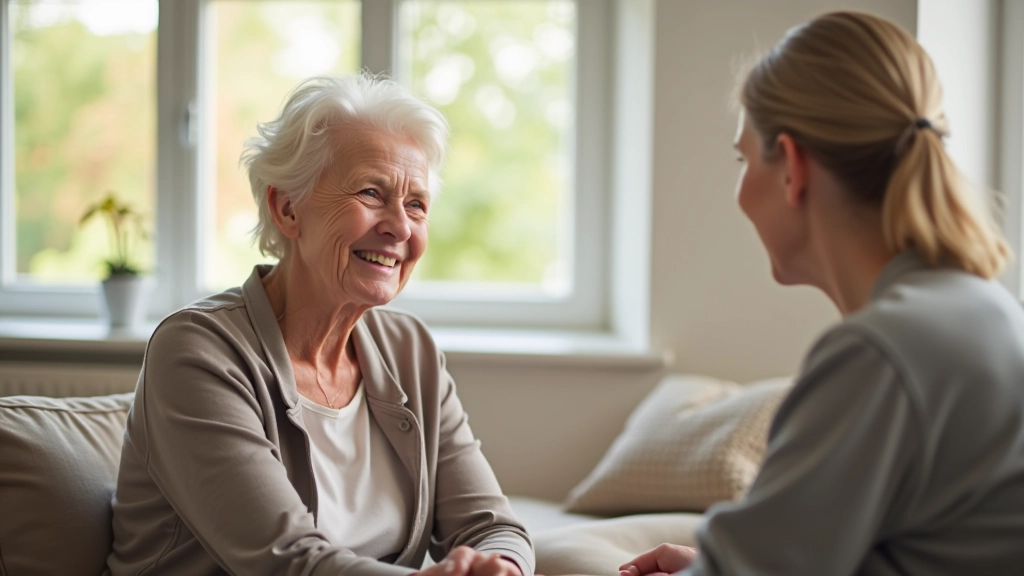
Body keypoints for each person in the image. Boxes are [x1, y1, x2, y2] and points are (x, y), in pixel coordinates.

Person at [620, 10, 1024, 576]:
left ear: (792, 167)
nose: (738, 194)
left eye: (744, 158)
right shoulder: (982, 309)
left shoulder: (878, 353)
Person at [106, 74, 533, 576]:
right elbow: (287, 562)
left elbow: (492, 526)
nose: (400, 226)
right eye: (372, 192)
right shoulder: (198, 352)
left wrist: (501, 568)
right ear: (287, 208)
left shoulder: (410, 350)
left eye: (416, 204)